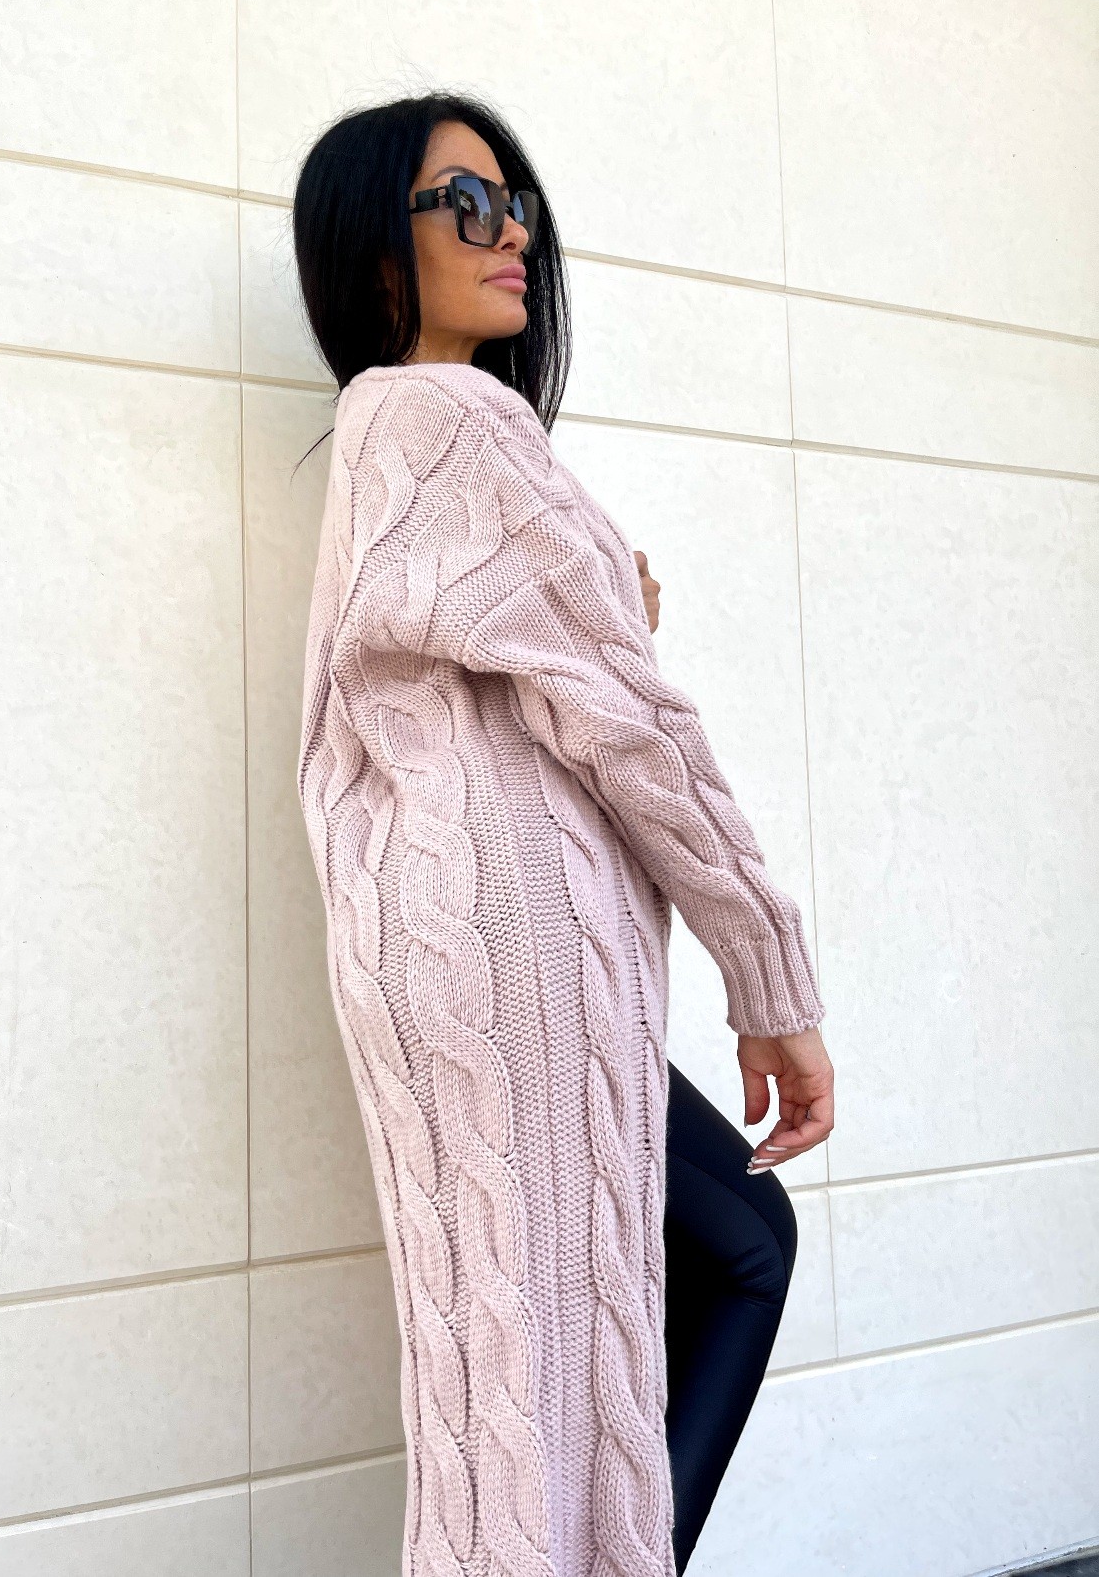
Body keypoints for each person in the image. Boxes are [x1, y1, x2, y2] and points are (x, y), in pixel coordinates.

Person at [292, 91, 835, 1577]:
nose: (509, 231)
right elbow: (630, 723)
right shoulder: (448, 417)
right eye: (463, 205)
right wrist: (769, 975)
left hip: (448, 937)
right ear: (378, 253)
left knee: (535, 1353)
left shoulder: (388, 436)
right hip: (507, 934)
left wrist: (604, 615)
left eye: (515, 202)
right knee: (567, 1347)